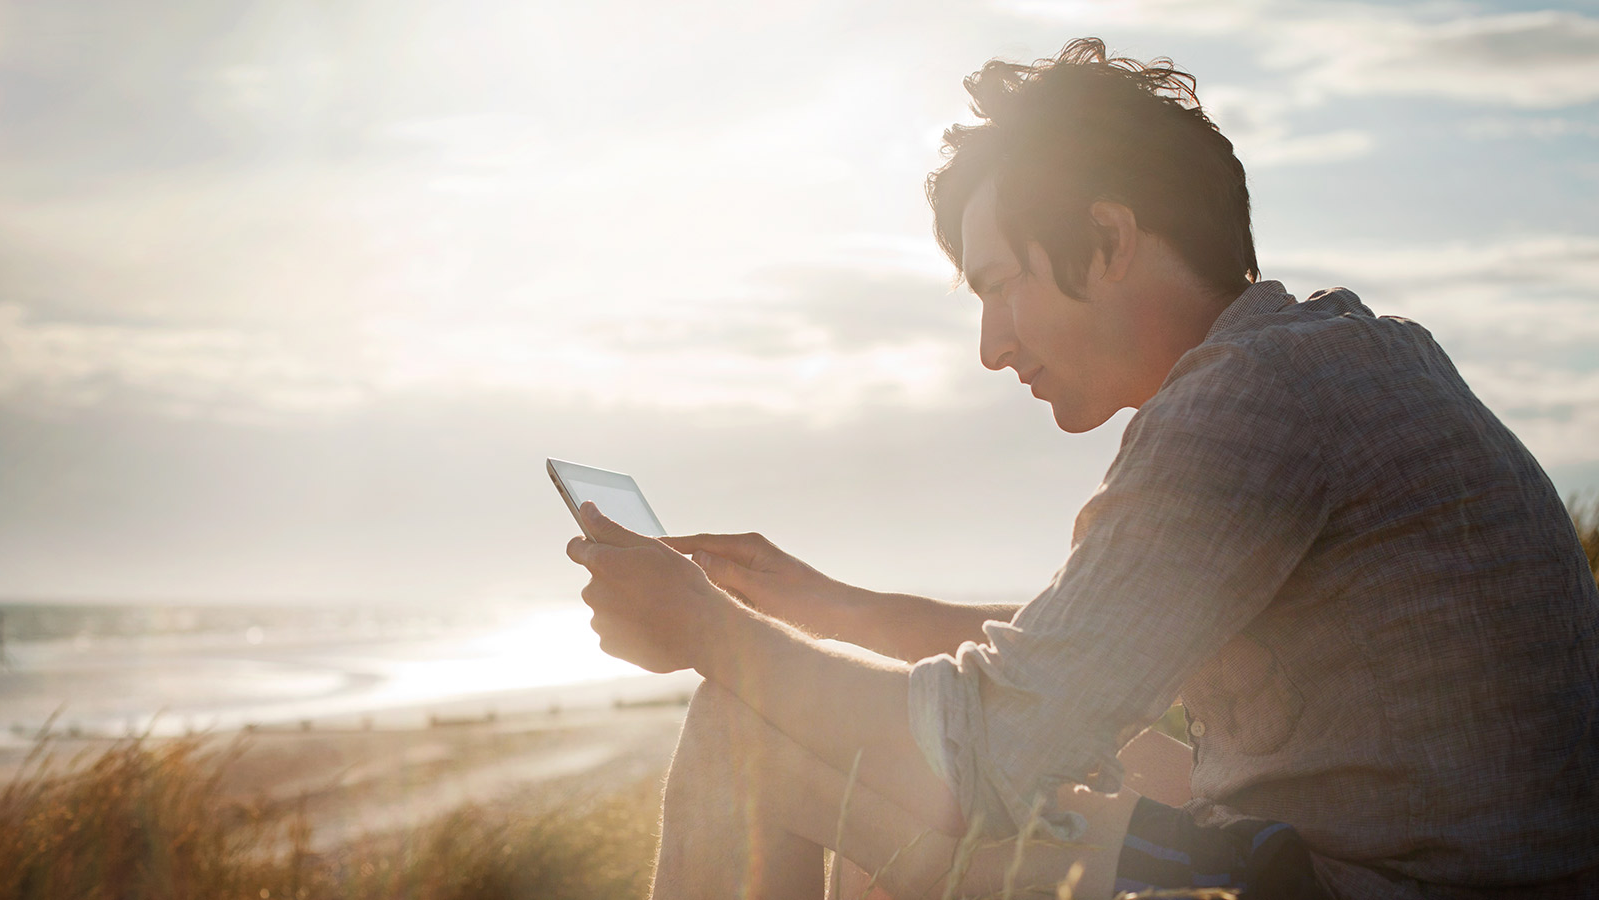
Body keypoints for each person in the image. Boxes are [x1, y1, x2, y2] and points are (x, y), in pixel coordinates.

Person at [565, 38, 1599, 899]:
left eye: (1002, 282)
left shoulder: (1249, 400)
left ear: (1106, 238)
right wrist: (822, 605)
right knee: (908, 751)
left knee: (751, 729)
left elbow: (995, 748)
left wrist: (708, 630)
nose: (990, 344)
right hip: (1375, 861)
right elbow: (1089, 647)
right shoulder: (1331, 358)